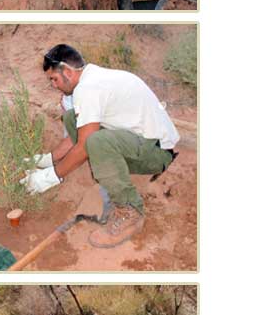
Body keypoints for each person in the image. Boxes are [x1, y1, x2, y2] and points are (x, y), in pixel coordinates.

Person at [20, 44, 180, 248]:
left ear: (68, 72)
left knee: (96, 143)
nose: (53, 85)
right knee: (72, 119)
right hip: (140, 141)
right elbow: (76, 137)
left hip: (157, 153)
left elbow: (86, 141)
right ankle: (106, 169)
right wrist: (46, 161)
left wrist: (51, 177)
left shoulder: (88, 88)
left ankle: (130, 211)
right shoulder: (92, 79)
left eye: (54, 79)